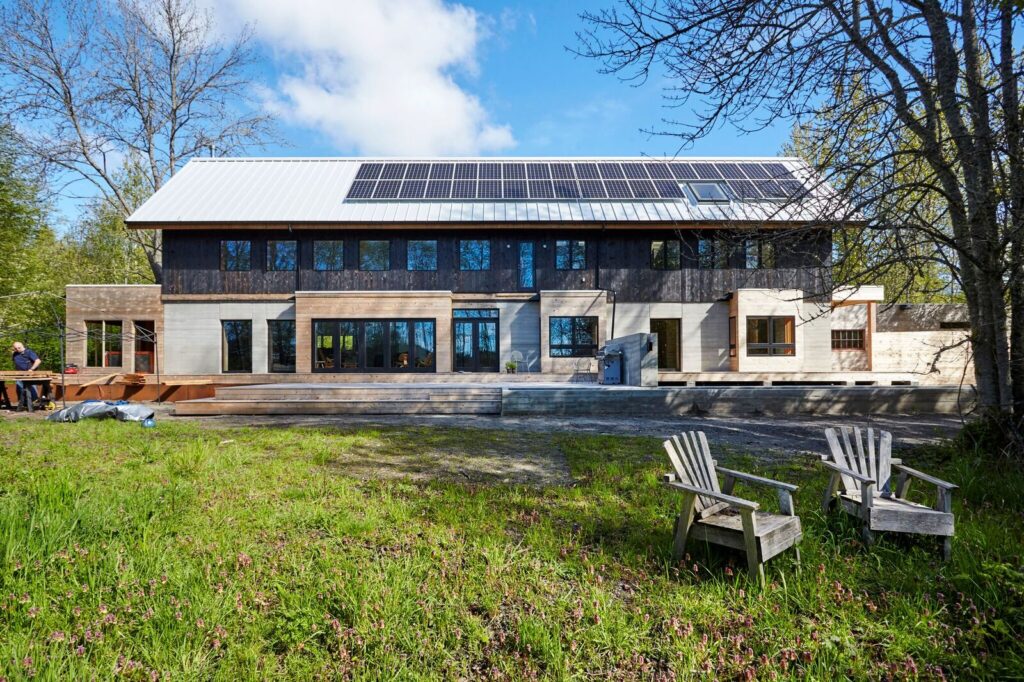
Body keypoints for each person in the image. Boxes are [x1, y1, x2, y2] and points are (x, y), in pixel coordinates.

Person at [11, 341, 41, 409]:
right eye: (15, 348)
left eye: (18, 348)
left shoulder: (29, 352)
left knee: (30, 389)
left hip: (29, 375)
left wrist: (31, 369)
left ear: (21, 346)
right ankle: (23, 403)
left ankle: (33, 403)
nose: (16, 349)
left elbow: (38, 361)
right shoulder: (15, 354)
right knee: (19, 389)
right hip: (20, 375)